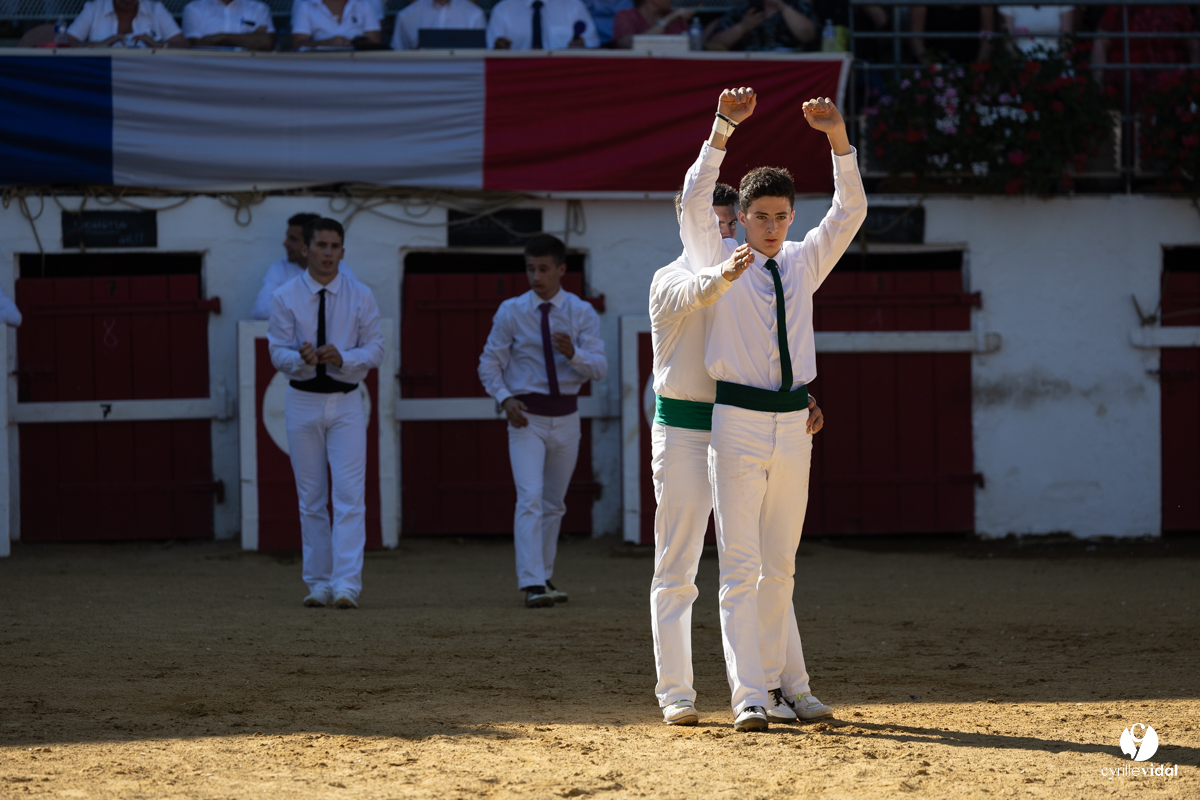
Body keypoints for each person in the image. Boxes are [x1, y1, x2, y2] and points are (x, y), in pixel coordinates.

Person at [679, 87, 866, 731]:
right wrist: (723, 127)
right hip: (736, 421)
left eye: (781, 215)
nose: (771, 225)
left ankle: (795, 687)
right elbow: (695, 197)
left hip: (793, 423)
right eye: (760, 215)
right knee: (740, 566)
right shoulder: (719, 263)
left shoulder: (803, 263)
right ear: (741, 217)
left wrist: (838, 140)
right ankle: (749, 695)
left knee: (780, 565)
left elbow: (849, 211)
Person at [649, 183, 828, 727]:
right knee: (678, 564)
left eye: (732, 225)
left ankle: (785, 684)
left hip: (748, 424)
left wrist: (796, 397)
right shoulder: (672, 278)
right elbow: (702, 295)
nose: (727, 235)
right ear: (692, 224)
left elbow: (770, 349)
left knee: (767, 564)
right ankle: (676, 691)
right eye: (717, 225)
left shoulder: (757, 271)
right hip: (684, 432)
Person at [477, 235, 607, 608]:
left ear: (561, 270)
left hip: (566, 416)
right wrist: (505, 398)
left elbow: (599, 368)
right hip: (527, 418)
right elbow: (489, 362)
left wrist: (574, 354)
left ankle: (544, 576)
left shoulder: (580, 312)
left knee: (553, 503)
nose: (536, 276)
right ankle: (532, 582)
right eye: (531, 269)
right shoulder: (511, 311)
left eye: (544, 269)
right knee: (531, 498)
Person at [268, 218, 385, 609]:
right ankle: (319, 582)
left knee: (350, 495)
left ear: (343, 252)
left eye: (335, 246)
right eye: (321, 245)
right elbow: (276, 350)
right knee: (311, 497)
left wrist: (345, 356)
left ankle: (347, 583)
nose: (328, 253)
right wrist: (300, 359)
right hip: (303, 399)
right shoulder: (286, 296)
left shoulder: (360, 295)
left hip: (346, 399)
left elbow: (376, 348)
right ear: (306, 249)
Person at [252, 213, 358, 320]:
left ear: (307, 245)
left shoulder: (342, 271)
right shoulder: (279, 268)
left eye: (293, 239)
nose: (286, 243)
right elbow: (260, 311)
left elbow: (354, 310)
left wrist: (290, 306)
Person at [705, 0, 817, 52]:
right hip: (750, 75)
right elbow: (713, 44)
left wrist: (782, 7)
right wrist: (742, 27)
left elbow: (808, 35)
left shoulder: (798, 6)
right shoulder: (742, 10)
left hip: (791, 73)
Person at [66, 0, 187, 47]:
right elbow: (65, 43)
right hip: (102, 82)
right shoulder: (93, 9)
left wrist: (157, 45)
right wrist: (98, 46)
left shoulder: (156, 9)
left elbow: (183, 45)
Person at [487, 0, 600, 49]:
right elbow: (491, 52)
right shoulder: (502, 10)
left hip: (562, 79)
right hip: (518, 80)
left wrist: (582, 45)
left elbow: (593, 43)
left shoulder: (574, 6)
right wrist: (500, 49)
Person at [909, 4, 995, 64]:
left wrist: (976, 71)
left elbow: (987, 37)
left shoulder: (984, 4)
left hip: (971, 72)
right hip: (932, 73)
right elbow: (916, 39)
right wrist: (933, 71)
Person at [390, 0, 486, 49]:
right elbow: (397, 55)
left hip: (463, 80)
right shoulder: (406, 15)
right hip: (420, 80)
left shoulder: (475, 14)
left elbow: (481, 57)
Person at [182, 0, 276, 49]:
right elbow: (196, 45)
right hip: (208, 71)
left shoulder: (258, 8)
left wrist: (222, 37)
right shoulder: (194, 8)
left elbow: (267, 43)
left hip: (248, 70)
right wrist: (249, 40)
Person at [291, 0, 382, 48]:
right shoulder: (306, 6)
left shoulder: (364, 5)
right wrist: (327, 43)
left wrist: (357, 43)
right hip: (320, 66)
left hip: (360, 66)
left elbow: (376, 44)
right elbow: (297, 44)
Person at [611, 0, 692, 48]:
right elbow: (628, 44)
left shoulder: (677, 17)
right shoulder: (625, 16)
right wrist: (666, 21)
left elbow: (693, 46)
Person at [998, 4, 1073, 56]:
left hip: (1054, 60)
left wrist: (1057, 64)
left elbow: (1067, 37)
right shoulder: (1007, 3)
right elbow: (1008, 40)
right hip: (1021, 62)